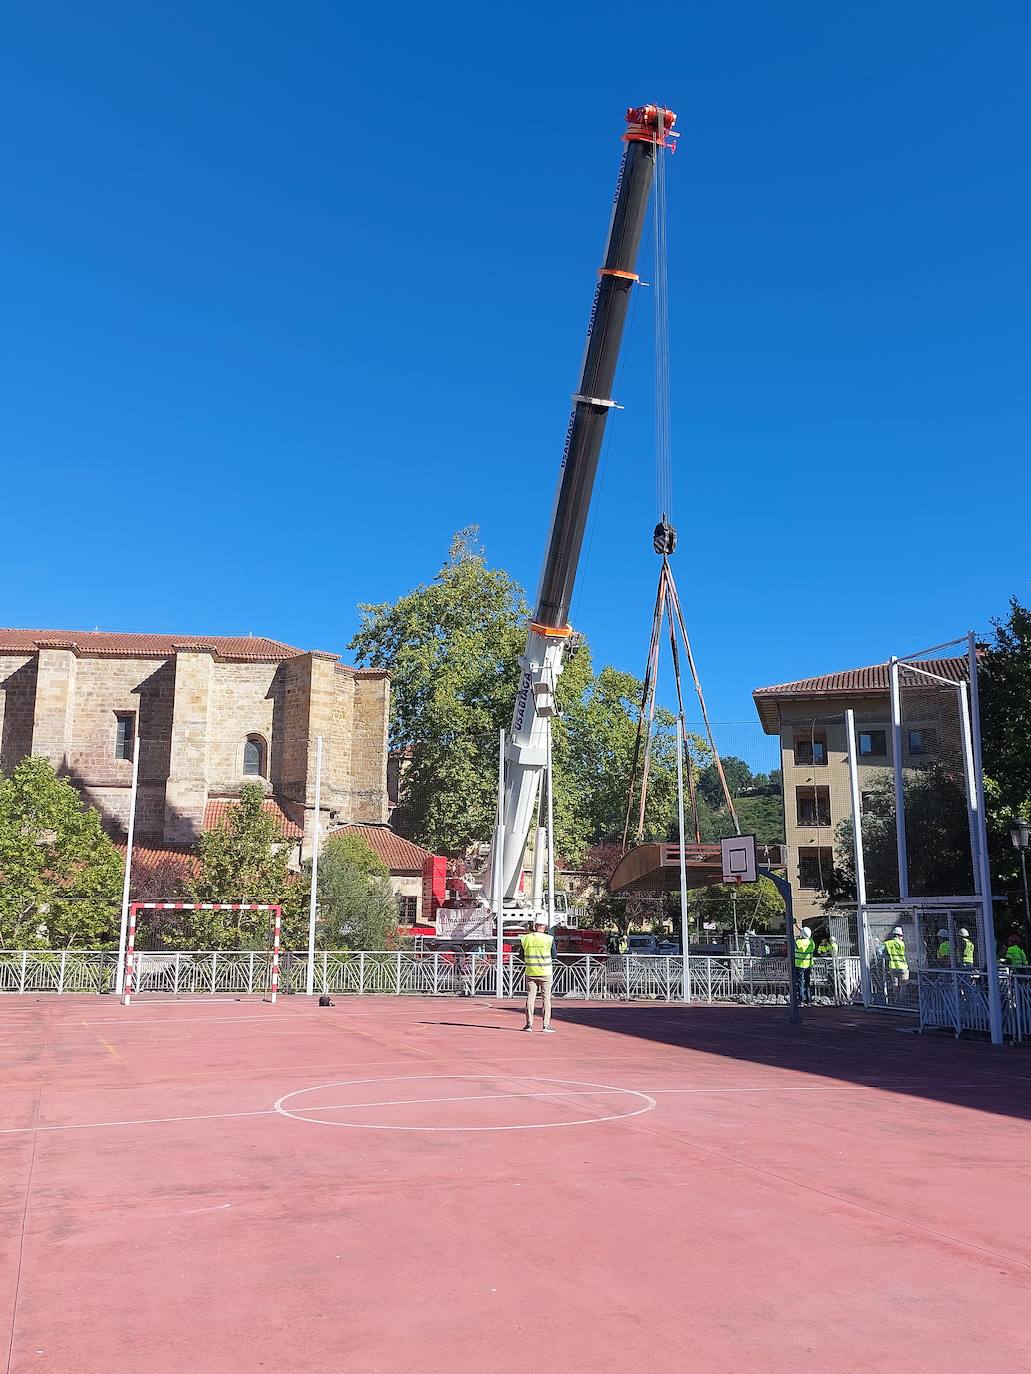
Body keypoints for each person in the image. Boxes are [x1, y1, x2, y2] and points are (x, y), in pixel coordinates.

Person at [519, 917, 555, 1033]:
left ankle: (529, 1025)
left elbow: (521, 955)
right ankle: (546, 1025)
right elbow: (554, 956)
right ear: (545, 926)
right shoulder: (549, 939)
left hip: (531, 971)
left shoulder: (526, 938)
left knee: (530, 998)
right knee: (546, 999)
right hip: (545, 972)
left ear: (535, 925)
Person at [883, 926, 909, 1002]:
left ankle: (896, 1000)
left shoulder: (887, 943)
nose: (902, 937)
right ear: (897, 935)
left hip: (893, 967)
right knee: (903, 984)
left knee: (895, 984)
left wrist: (887, 957)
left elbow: (880, 951)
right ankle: (902, 1001)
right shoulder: (902, 944)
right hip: (903, 967)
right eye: (901, 936)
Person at [794, 926, 815, 1005]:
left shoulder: (799, 941)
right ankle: (809, 1000)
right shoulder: (811, 942)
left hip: (800, 965)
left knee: (800, 983)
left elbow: (796, 945)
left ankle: (800, 1000)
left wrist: (799, 935)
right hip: (809, 965)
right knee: (807, 983)